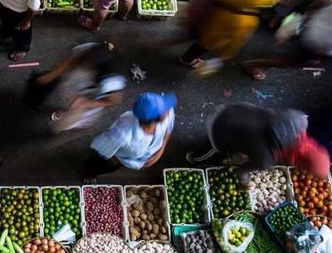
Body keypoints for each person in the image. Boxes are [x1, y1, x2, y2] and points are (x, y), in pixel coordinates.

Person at [187, 103, 330, 184]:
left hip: (239, 110)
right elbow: (241, 170)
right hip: (221, 127)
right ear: (301, 164)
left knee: (242, 143)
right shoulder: (266, 159)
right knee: (213, 148)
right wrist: (245, 183)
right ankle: (195, 158)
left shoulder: (298, 122)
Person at [179, 0, 280, 75]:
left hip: (202, 19)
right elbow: (235, 42)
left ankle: (181, 40)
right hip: (211, 38)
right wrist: (223, 57)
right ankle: (186, 60)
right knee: (198, 49)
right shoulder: (249, 20)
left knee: (191, 34)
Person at [29, 42, 126, 132]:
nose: (83, 65)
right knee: (68, 101)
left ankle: (56, 129)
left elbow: (113, 101)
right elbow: (71, 60)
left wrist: (85, 103)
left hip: (90, 100)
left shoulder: (111, 82)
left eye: (89, 66)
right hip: (77, 87)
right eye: (84, 61)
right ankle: (65, 111)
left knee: (64, 122)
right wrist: (51, 75)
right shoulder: (90, 50)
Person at [82, 92, 176, 182]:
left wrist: (161, 149)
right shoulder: (122, 134)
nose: (168, 110)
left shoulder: (166, 115)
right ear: (153, 120)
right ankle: (89, 173)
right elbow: (102, 149)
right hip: (119, 159)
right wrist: (113, 160)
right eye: (165, 110)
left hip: (134, 159)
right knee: (101, 165)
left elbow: (168, 128)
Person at [243, 0, 332, 80]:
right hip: (318, 39)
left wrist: (303, 17)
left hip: (317, 34)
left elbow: (318, 2)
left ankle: (256, 62)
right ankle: (251, 64)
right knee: (290, 61)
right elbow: (319, 2)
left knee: (295, 57)